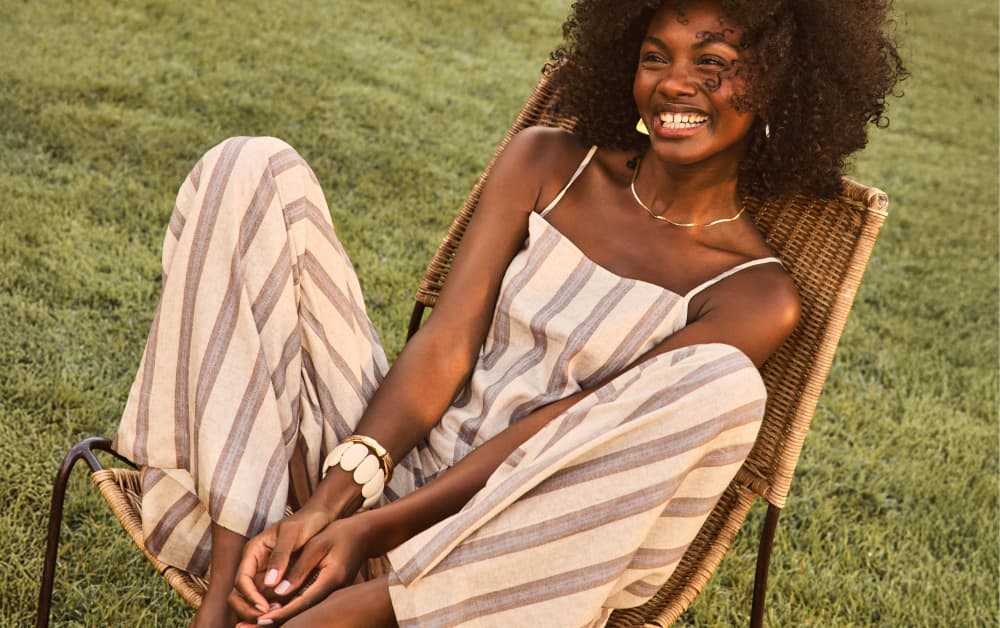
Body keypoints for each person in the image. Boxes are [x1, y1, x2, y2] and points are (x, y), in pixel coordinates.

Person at [112, 0, 905, 625]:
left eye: (715, 64)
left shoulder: (754, 294)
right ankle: (233, 586)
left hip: (518, 549)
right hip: (389, 469)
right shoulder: (549, 162)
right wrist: (334, 502)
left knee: (723, 387)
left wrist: (377, 536)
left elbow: (562, 436)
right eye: (654, 56)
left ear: (775, 84)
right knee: (253, 169)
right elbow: (446, 348)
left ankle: (363, 611)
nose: (675, 83)